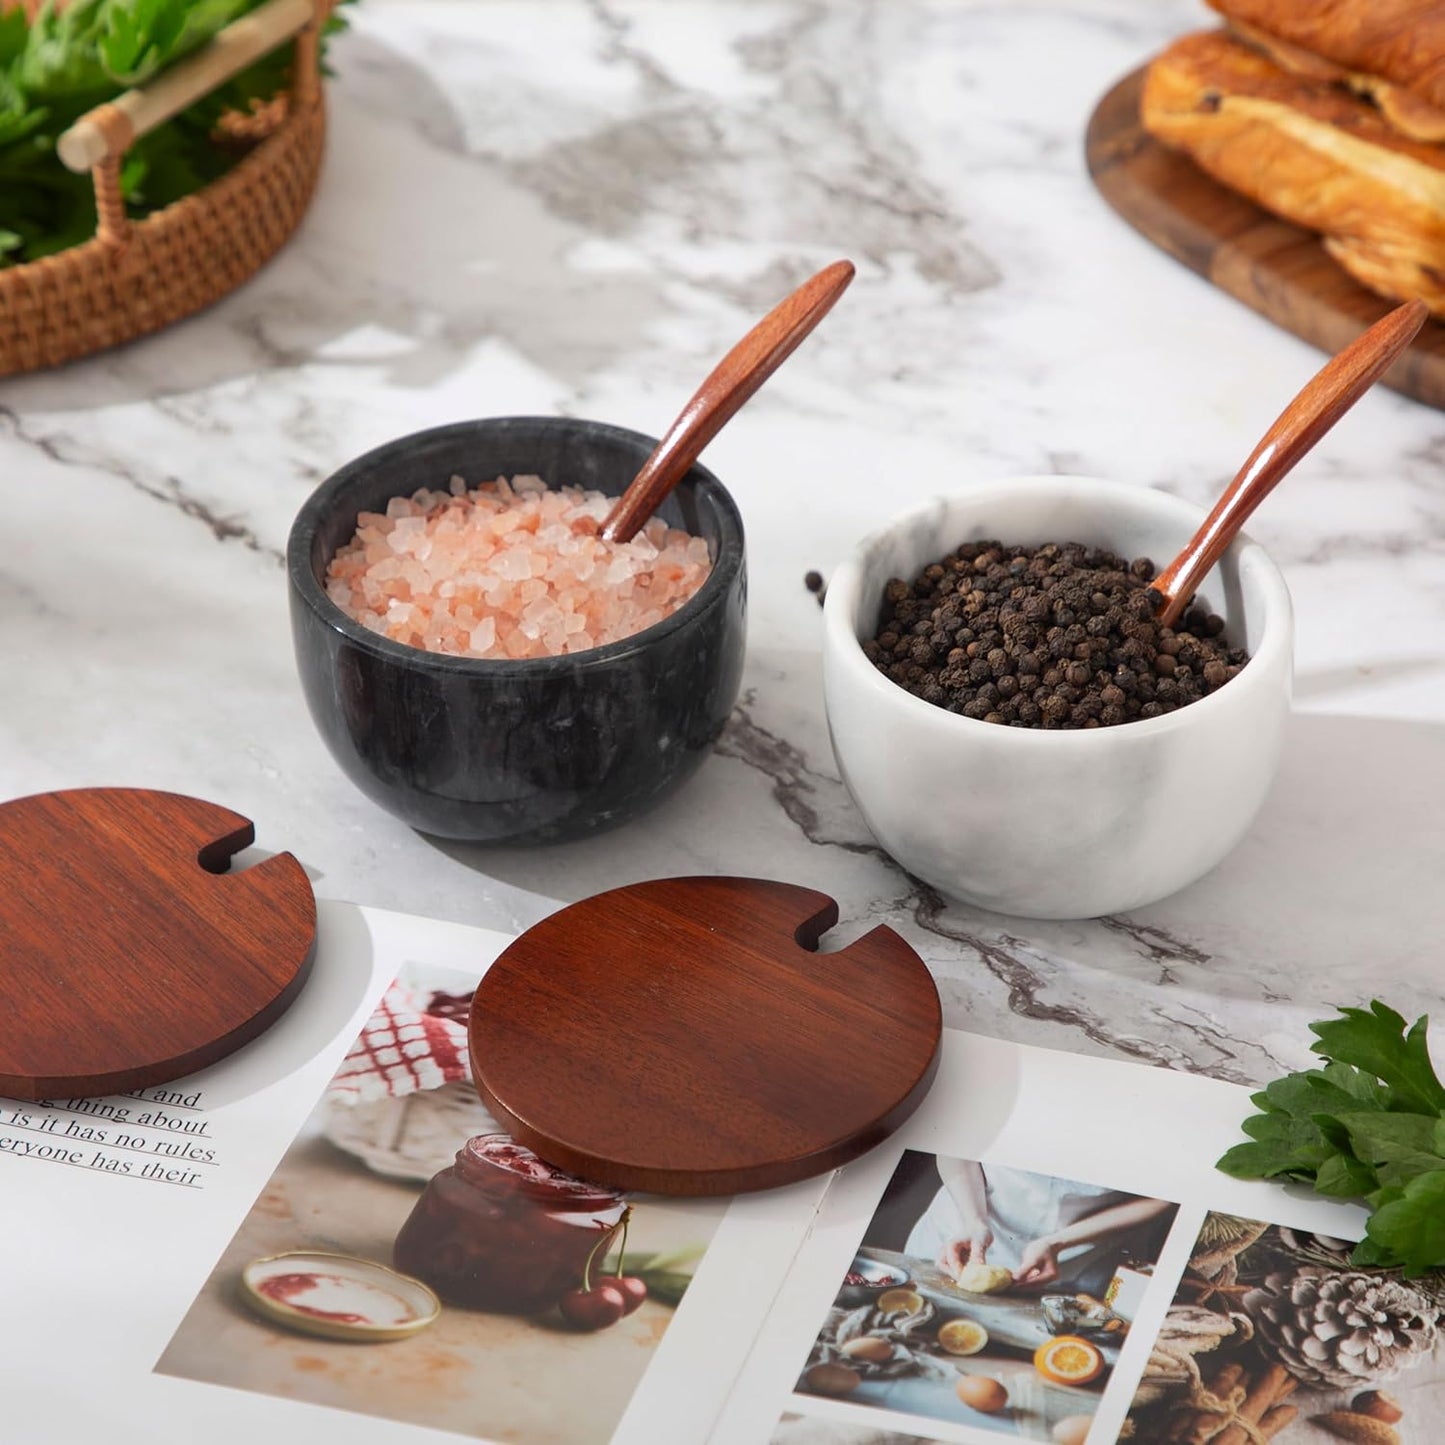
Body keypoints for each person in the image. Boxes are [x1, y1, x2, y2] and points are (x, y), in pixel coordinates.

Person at [905, 1160, 1173, 1298]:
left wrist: (1058, 1243)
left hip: (1075, 1254)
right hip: (961, 1222)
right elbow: (957, 1141)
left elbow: (1163, 1197)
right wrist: (973, 1221)